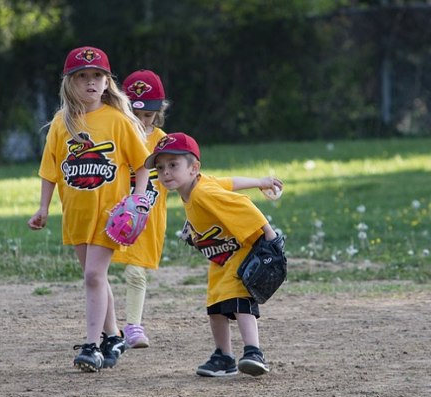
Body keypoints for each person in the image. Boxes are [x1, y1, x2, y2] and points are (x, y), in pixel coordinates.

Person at [27, 46, 150, 372]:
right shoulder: (61, 123)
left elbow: (142, 166)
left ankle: (92, 346)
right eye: (82, 76)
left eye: (97, 75)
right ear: (69, 83)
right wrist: (43, 208)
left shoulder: (118, 120)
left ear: (108, 82)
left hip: (111, 216)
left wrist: (137, 200)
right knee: (95, 277)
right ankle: (113, 337)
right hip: (77, 215)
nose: (91, 82)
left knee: (94, 275)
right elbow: (49, 170)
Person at [144, 132, 283, 377]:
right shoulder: (198, 185)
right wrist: (260, 181)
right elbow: (229, 181)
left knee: (240, 300)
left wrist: (272, 242)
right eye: (160, 167)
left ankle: (253, 352)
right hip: (221, 258)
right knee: (215, 305)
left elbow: (245, 206)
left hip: (243, 253)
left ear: (193, 168)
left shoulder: (203, 193)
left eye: (173, 165)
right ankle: (223, 357)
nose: (165, 172)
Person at [111, 69, 170, 348]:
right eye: (136, 114)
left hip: (146, 218)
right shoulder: (116, 134)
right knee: (97, 272)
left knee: (136, 272)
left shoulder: (162, 141)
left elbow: (181, 176)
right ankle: (107, 326)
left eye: (148, 115)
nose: (142, 120)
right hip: (112, 214)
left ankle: (133, 326)